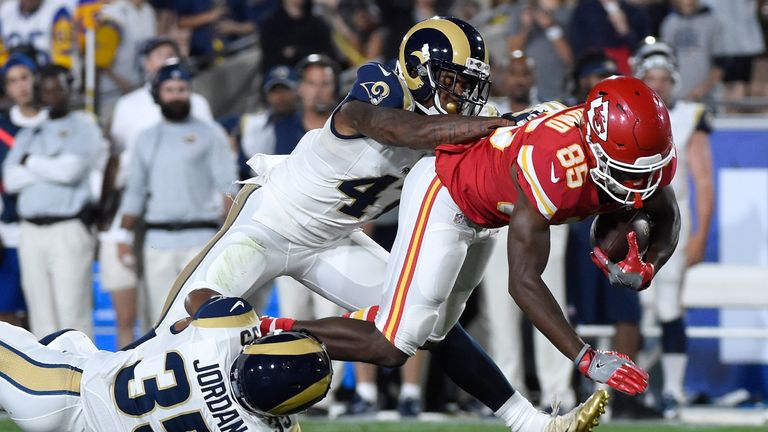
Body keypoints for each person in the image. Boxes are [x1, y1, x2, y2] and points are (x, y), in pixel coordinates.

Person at [155, 16, 607, 432]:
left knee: (424, 328)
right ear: (416, 70)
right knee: (174, 330)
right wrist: (499, 125)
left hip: (333, 241)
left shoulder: (467, 123)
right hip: (269, 223)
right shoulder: (380, 88)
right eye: (450, 81)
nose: (460, 96)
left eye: (469, 85)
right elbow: (404, 132)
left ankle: (529, 422)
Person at [290, 76, 680, 423]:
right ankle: (264, 332)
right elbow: (523, 283)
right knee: (395, 343)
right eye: (628, 171)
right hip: (447, 193)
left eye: (644, 171)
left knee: (438, 334)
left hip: (488, 214)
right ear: (596, 145)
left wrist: (650, 267)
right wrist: (585, 357)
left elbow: (667, 212)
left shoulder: (629, 152)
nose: (638, 187)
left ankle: (528, 422)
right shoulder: (554, 166)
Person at [0, 289, 332, 431]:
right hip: (93, 415)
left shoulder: (225, 332)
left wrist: (258, 325)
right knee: (70, 340)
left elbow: (197, 297)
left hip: (64, 392)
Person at [102, 37, 213, 347]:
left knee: (183, 302)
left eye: (172, 54)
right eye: (159, 55)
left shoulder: (198, 103)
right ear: (146, 63)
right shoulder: (127, 105)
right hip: (134, 206)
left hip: (180, 210)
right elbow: (119, 163)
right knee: (144, 299)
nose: (166, 59)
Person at [482, 51, 576, 411]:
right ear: (504, 77)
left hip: (544, 217)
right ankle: (508, 393)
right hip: (500, 217)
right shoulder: (488, 115)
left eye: (526, 73)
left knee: (549, 300)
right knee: (500, 309)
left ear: (534, 76)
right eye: (514, 73)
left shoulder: (553, 111)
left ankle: (558, 393)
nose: (520, 80)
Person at [116, 59, 237, 324]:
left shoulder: (210, 133)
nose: (176, 96)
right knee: (160, 320)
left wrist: (229, 234)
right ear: (157, 94)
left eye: (182, 89)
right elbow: (135, 190)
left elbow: (229, 187)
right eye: (170, 90)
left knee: (203, 319)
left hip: (200, 238)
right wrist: (123, 234)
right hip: (157, 240)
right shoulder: (146, 138)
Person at [632, 38, 714, 418]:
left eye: (665, 77)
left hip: (672, 226)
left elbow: (703, 180)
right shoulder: (627, 114)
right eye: (652, 77)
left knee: (666, 307)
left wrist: (700, 233)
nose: (659, 84)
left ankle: (673, 391)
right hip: (631, 225)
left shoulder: (688, 116)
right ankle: (633, 390)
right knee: (635, 311)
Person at [2, 64, 104, 338]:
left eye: (58, 88)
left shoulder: (84, 126)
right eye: (46, 90)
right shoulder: (30, 133)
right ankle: (47, 381)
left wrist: (30, 162)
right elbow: (10, 179)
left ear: (69, 88)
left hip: (67, 227)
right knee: (40, 316)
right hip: (30, 231)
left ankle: (80, 378)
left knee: (73, 314)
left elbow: (69, 172)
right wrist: (49, 167)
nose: (52, 94)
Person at [0, 53, 47, 329]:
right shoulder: (3, 128)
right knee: (5, 312)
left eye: (25, 78)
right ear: (6, 88)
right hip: (10, 232)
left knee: (42, 314)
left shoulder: (55, 120)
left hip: (47, 227)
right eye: (13, 81)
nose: (21, 86)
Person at [0, 0, 75, 68]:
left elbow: (63, 62)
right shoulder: (4, 12)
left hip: (46, 75)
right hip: (12, 76)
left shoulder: (58, 11)